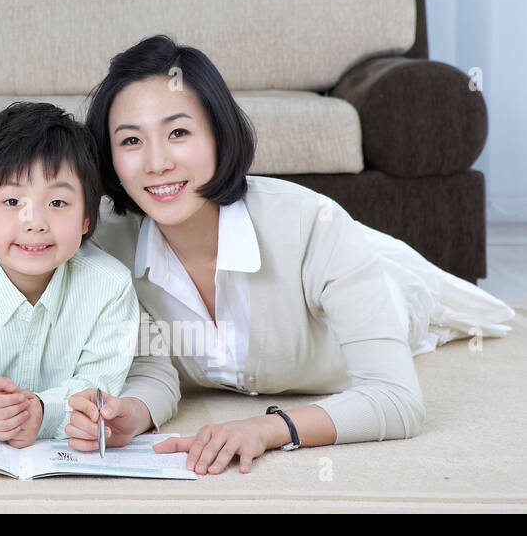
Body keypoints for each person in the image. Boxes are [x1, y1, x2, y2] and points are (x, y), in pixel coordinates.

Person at [66, 34, 515, 474]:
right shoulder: (111, 246)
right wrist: (129, 413)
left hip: (387, 284)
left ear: (220, 135)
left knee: (444, 309)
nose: (156, 162)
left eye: (178, 132)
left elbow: (395, 399)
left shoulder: (312, 225)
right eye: (131, 141)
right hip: (313, 244)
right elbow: (154, 366)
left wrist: (268, 429)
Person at [0, 102, 140, 448]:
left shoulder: (111, 286)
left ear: (88, 216)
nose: (34, 221)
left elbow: (98, 384)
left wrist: (46, 412)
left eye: (58, 203)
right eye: (12, 202)